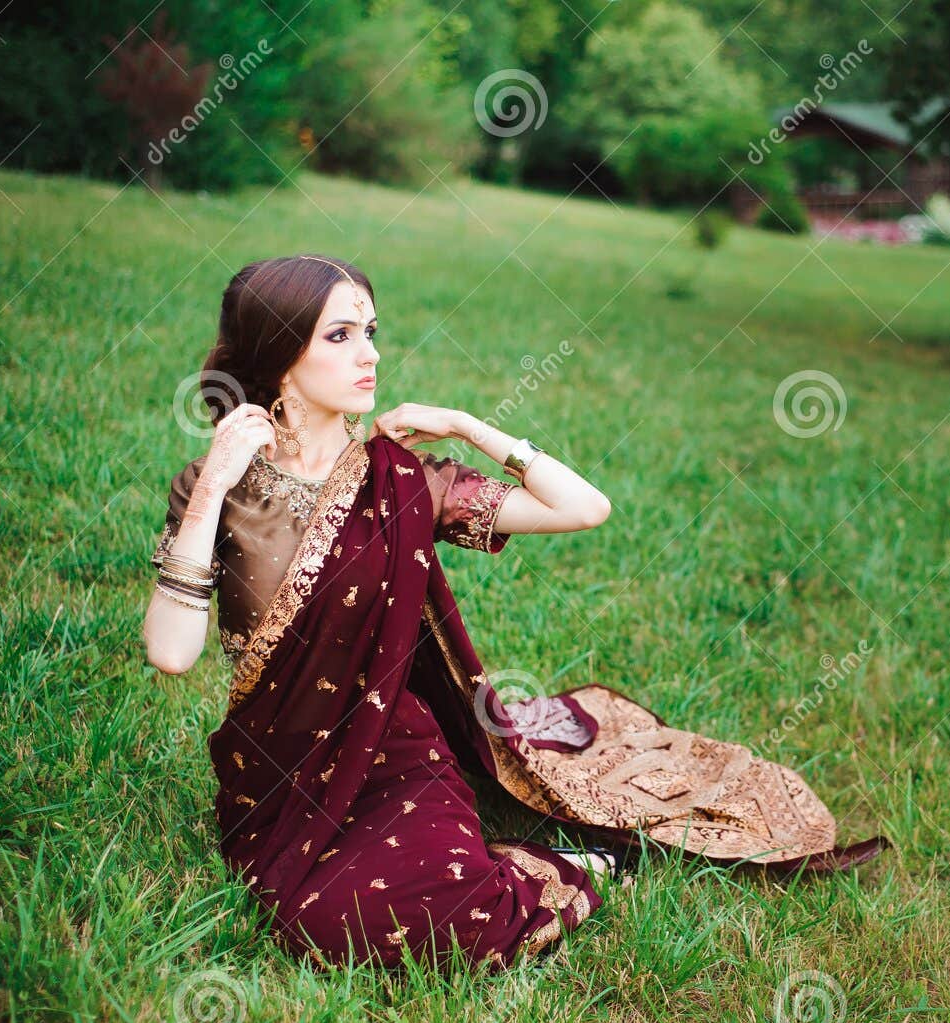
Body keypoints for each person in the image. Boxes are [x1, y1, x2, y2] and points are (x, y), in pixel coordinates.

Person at [144, 254, 886, 976]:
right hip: (277, 766)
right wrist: (212, 487)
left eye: (372, 331)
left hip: (392, 750)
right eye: (341, 335)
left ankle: (580, 865)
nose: (369, 353)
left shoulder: (402, 479)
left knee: (422, 915)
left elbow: (584, 508)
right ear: (279, 353)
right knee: (310, 915)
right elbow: (172, 653)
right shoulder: (218, 491)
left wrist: (472, 428)